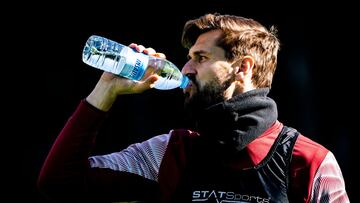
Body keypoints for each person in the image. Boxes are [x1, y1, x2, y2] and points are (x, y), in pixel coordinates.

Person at [37, 13, 349, 203]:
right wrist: (106, 88)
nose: (185, 68)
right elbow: (61, 182)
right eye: (188, 57)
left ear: (243, 68)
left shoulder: (310, 162)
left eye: (200, 58)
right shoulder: (169, 152)